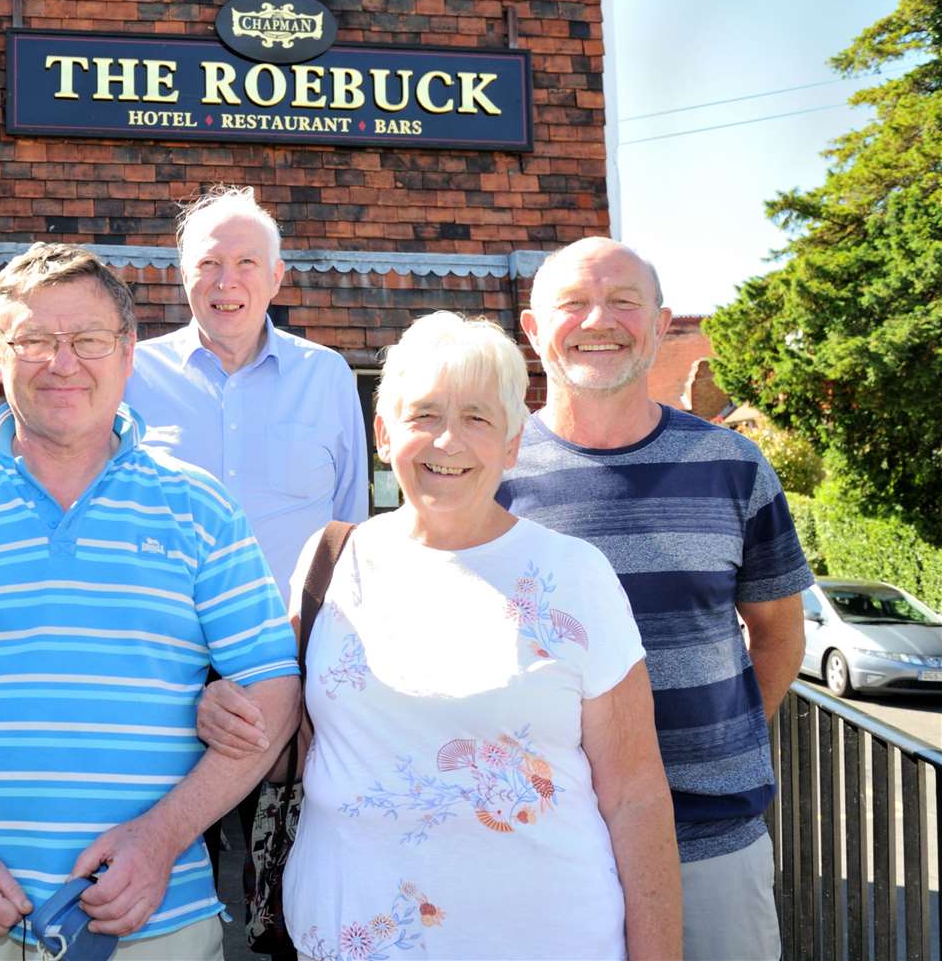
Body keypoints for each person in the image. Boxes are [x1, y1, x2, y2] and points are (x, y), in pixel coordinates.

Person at [0, 242, 301, 960]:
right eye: (33, 340)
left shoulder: (200, 509)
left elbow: (275, 687)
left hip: (160, 922)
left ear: (127, 354)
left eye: (87, 340)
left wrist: (159, 841)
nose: (62, 363)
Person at [202, 311, 682, 959]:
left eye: (478, 418)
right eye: (424, 414)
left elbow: (636, 797)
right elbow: (294, 739)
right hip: (348, 940)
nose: (447, 442)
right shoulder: (330, 561)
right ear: (382, 432)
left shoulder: (576, 577)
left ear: (513, 443)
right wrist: (221, 709)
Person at [497, 237, 812, 960]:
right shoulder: (495, 475)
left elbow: (780, 636)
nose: (598, 319)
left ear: (662, 323)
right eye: (573, 303)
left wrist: (722, 738)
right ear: (534, 329)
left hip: (709, 847)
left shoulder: (733, 465)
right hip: (541, 842)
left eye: (624, 302)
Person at [125, 185, 368, 604]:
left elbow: (351, 524)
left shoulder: (327, 376)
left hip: (292, 647)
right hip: (163, 645)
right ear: (185, 276)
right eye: (209, 263)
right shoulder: (132, 375)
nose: (226, 282)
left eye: (246, 263)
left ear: (276, 277)